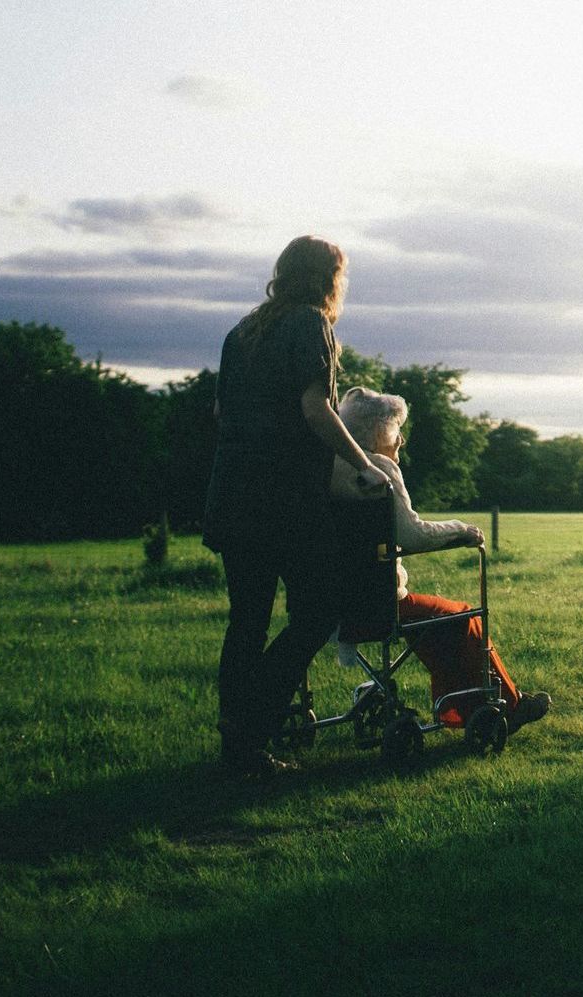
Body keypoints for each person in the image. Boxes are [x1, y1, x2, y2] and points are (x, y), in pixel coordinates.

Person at [202, 235, 389, 775]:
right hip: (281, 501)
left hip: (232, 494)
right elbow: (317, 409)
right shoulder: (310, 325)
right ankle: (251, 720)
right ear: (329, 278)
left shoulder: (243, 331)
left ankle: (238, 747)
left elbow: (222, 410)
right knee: (320, 609)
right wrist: (364, 464)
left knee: (248, 621)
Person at [329, 387, 551, 731]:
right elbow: (413, 535)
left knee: (437, 622)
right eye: (395, 430)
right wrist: (461, 529)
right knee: (462, 616)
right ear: (376, 432)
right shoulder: (379, 470)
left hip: (334, 602)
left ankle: (465, 708)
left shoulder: (331, 468)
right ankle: (508, 705)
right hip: (379, 602)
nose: (400, 440)